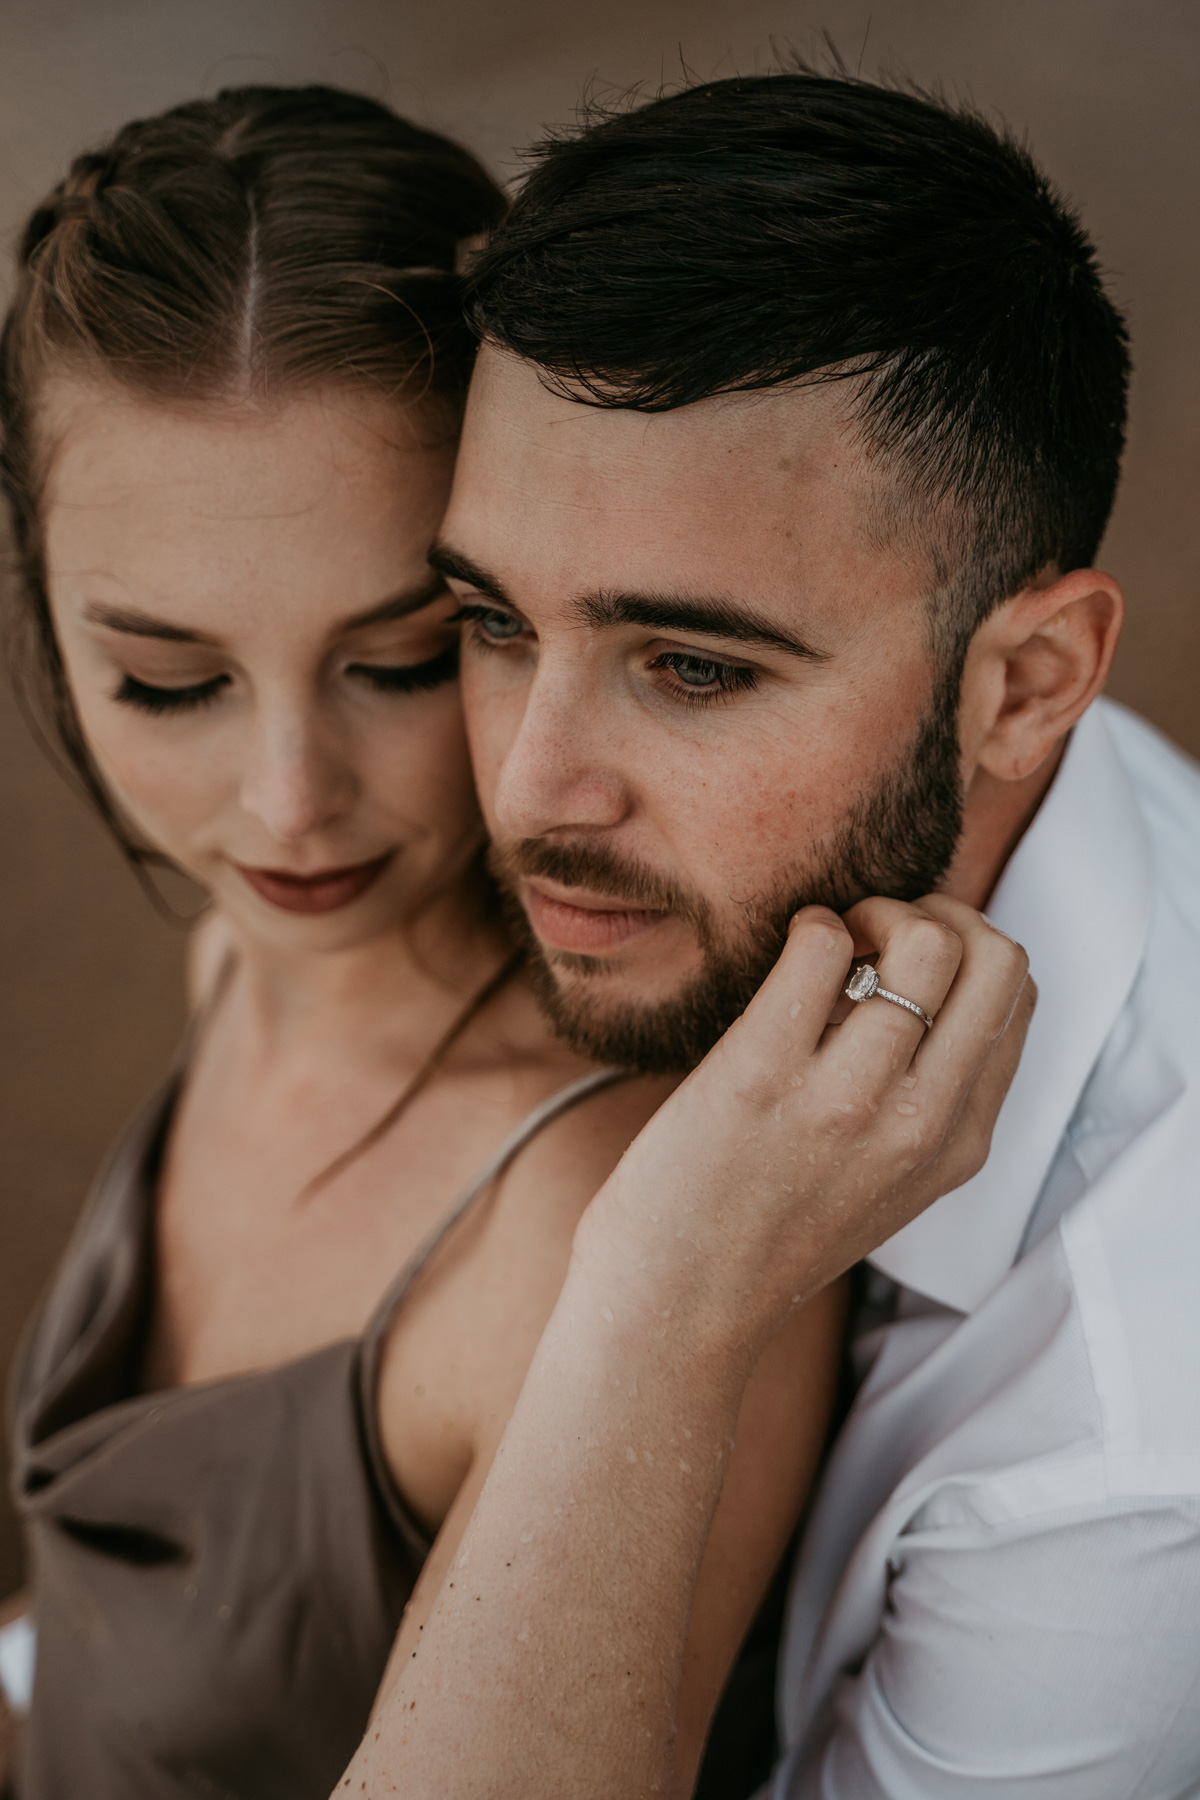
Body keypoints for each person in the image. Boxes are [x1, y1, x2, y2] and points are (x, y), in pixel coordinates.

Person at [0, 82, 870, 1799]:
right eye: (167, 684)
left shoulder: (613, 1220)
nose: (286, 809)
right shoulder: (261, 956)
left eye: (403, 657)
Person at [337, 71, 1200, 1800]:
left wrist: (654, 1300)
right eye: (495, 619)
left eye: (695, 667)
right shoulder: (689, 865)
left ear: (1026, 687)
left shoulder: (1124, 1466)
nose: (524, 791)